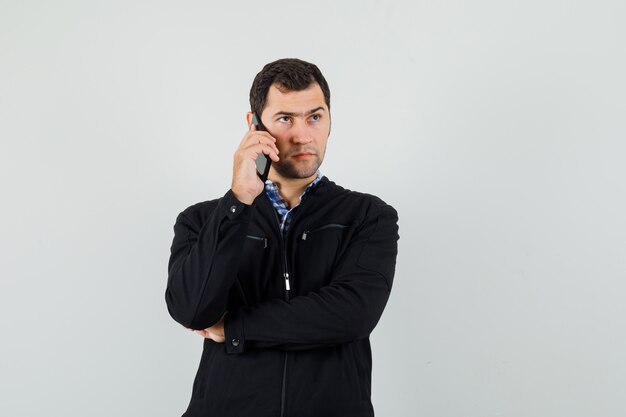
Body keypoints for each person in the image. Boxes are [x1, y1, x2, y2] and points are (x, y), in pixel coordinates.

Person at [165, 58, 399, 417]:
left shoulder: (368, 216)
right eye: (286, 119)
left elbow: (350, 314)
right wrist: (238, 202)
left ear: (330, 121)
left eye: (315, 117)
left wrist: (235, 327)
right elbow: (192, 310)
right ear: (254, 126)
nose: (303, 135)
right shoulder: (201, 220)